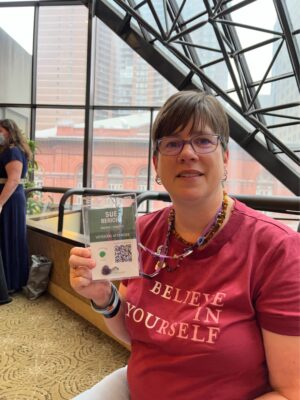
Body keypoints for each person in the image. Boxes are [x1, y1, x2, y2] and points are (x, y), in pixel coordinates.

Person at [69, 90, 300, 400]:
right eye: (172, 143)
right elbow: (133, 332)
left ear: (225, 157)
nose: (187, 153)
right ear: (156, 163)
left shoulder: (276, 249)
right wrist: (104, 297)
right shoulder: (140, 232)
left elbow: (290, 391)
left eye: (203, 141)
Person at [0, 119, 32, 293]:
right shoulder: (8, 150)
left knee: (9, 238)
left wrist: (0, 203)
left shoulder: (13, 151)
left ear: (9, 131)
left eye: (0, 131)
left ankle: (11, 283)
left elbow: (12, 180)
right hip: (8, 199)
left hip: (10, 201)